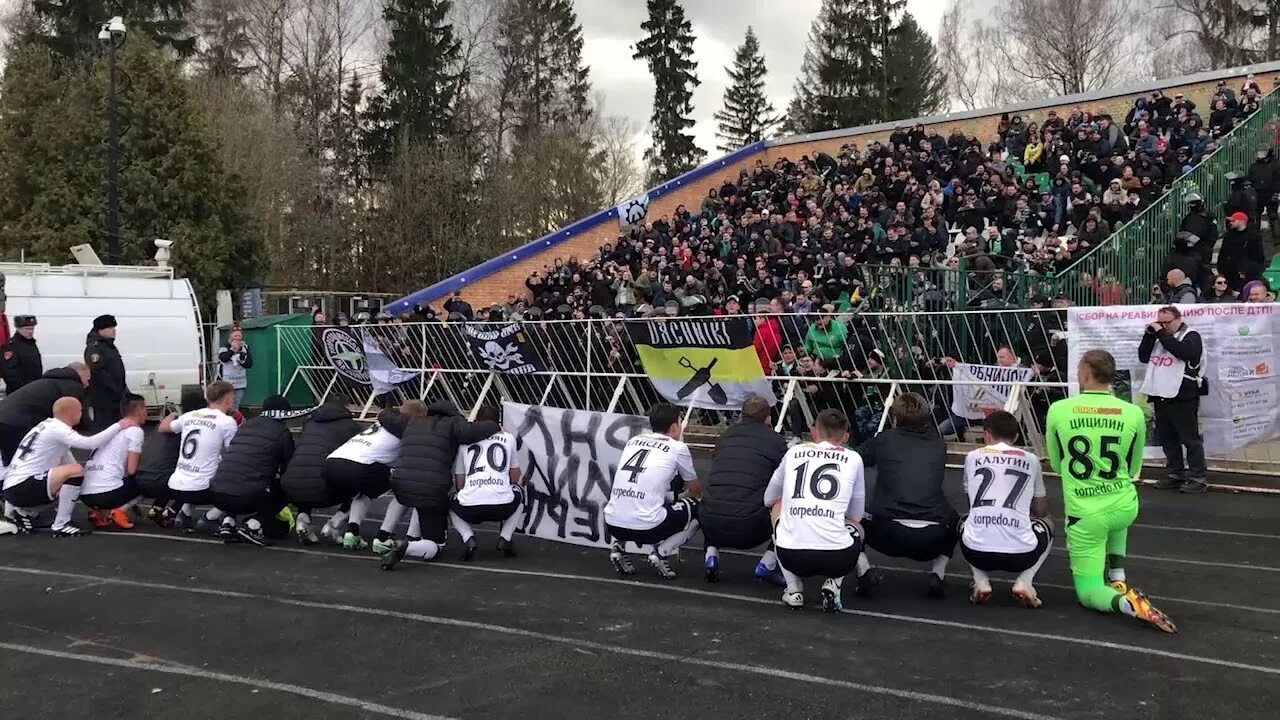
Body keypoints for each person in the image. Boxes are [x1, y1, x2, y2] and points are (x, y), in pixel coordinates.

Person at [1044, 349, 1177, 633]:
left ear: (1086, 375)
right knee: (1116, 501)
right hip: (1124, 506)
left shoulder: (1058, 410)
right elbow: (1131, 468)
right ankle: (1117, 574)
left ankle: (1127, 602)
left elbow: (1057, 464)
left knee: (1088, 592)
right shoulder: (1132, 413)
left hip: (1086, 514)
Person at [856, 392, 959, 598]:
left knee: (848, 518)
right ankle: (937, 574)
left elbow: (854, 459)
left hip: (887, 532)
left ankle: (864, 570)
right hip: (934, 537)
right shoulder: (940, 445)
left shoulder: (884, 440)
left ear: (894, 418)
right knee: (956, 519)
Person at [764, 409, 866, 612]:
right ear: (845, 437)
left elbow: (768, 499)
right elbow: (856, 515)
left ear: (814, 432)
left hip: (791, 555)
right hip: (838, 558)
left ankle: (793, 589)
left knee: (777, 507)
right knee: (857, 528)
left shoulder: (793, 452)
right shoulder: (854, 459)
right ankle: (834, 583)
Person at [380, 401, 500, 570]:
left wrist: (398, 409)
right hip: (432, 489)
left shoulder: (410, 422)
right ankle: (408, 546)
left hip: (401, 484)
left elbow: (384, 415)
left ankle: (398, 535)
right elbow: (481, 429)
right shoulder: (454, 424)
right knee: (435, 545)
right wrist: (497, 426)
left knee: (419, 500)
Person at [959, 411, 1054, 608]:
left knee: (965, 521)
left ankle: (980, 581)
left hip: (976, 552)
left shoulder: (972, 457)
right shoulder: (1031, 459)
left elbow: (971, 502)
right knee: (1048, 523)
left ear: (986, 435)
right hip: (1022, 555)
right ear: (1016, 437)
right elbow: (1040, 510)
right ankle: (1025, 581)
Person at [2, 396, 135, 535]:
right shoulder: (58, 429)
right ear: (72, 412)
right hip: (21, 487)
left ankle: (23, 513)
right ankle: (61, 524)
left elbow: (75, 477)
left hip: (13, 488)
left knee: (74, 476)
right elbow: (90, 443)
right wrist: (119, 425)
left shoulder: (46, 426)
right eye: (80, 410)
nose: (82, 414)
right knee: (76, 471)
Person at [599, 403, 701, 579]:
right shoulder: (678, 448)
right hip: (649, 528)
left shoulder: (633, 441)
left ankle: (618, 546)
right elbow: (695, 489)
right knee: (698, 507)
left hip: (612, 524)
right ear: (674, 426)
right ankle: (661, 552)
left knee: (634, 497)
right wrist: (683, 497)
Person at [700, 394, 789, 586]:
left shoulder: (723, 437)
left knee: (718, 492)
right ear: (768, 418)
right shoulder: (776, 441)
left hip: (710, 523)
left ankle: (711, 554)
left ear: (741, 415)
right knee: (787, 504)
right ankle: (768, 562)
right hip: (751, 528)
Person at [323, 400, 427, 550]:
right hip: (358, 465)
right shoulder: (410, 429)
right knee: (402, 486)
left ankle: (350, 532)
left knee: (363, 492)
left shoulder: (385, 422)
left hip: (332, 462)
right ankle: (383, 537)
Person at [208, 395, 296, 546]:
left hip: (217, 494)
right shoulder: (282, 433)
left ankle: (228, 522)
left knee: (237, 475)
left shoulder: (244, 427)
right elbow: (288, 469)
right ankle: (253, 525)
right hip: (247, 497)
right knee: (287, 488)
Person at [1137, 306, 1207, 493]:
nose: (1163, 326)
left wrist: (1161, 333)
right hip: (1160, 393)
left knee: (1189, 438)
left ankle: (1198, 477)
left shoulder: (1191, 336)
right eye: (1160, 322)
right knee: (1168, 438)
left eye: (1167, 322)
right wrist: (1149, 335)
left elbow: (1183, 353)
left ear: (1178, 319)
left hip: (1183, 394)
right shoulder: (1160, 338)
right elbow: (1143, 357)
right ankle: (1175, 473)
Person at [159, 380, 239, 531]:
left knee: (203, 469)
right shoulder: (227, 422)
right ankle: (210, 518)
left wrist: (173, 415)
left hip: (175, 486)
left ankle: (184, 514)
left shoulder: (189, 415)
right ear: (227, 399)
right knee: (235, 481)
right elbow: (233, 455)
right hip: (201, 490)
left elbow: (163, 427)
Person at [446, 405, 523, 561]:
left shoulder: (464, 443)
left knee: (450, 502)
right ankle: (505, 538)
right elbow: (515, 475)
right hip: (503, 505)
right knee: (520, 492)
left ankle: (468, 538)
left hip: (469, 507)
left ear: (476, 421)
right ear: (497, 422)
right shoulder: (508, 438)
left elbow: (460, 482)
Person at [279, 399, 360, 544]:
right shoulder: (351, 426)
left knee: (307, 476)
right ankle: (335, 522)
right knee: (358, 488)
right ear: (345, 408)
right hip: (325, 490)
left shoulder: (309, 423)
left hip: (291, 488)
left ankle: (303, 517)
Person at [79, 394, 149, 530]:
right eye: (145, 408)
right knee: (148, 480)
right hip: (107, 495)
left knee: (113, 477)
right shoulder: (135, 431)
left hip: (85, 495)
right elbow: (131, 470)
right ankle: (120, 510)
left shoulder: (112, 429)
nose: (147, 412)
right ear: (139, 409)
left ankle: (98, 512)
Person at [138, 387, 206, 527]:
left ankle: (157, 508)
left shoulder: (166, 424)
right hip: (162, 480)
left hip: (142, 477)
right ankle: (173, 511)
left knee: (172, 470)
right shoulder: (190, 428)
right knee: (191, 475)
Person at [0, 363, 89, 466]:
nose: (88, 384)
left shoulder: (48, 381)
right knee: (22, 463)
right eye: (88, 379)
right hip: (19, 423)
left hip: (6, 417)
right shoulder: (73, 386)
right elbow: (72, 415)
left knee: (10, 460)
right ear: (80, 374)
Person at [85, 314, 127, 431]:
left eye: (114, 328)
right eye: (110, 328)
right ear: (100, 330)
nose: (114, 331)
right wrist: (115, 388)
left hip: (115, 397)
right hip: (104, 398)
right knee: (105, 429)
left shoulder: (109, 346)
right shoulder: (95, 348)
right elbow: (98, 371)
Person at [1217, 211, 1264, 291]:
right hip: (1229, 274)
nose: (1230, 223)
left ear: (1241, 221)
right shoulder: (1228, 236)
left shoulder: (1254, 237)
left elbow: (1258, 257)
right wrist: (1221, 269)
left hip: (1246, 275)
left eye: (1233, 221)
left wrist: (1246, 270)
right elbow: (1223, 254)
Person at [2, 315, 42, 394]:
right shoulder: (11, 346)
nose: (30, 331)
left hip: (33, 390)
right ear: (18, 328)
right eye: (27, 329)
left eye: (32, 329)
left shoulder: (32, 344)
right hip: (18, 392)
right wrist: (22, 391)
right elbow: (9, 373)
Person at [217, 328, 253, 412]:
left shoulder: (245, 347)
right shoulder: (224, 347)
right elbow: (223, 358)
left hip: (240, 383)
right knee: (227, 404)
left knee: (236, 405)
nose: (237, 338)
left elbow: (249, 364)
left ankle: (235, 422)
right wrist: (232, 350)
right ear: (230, 336)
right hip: (227, 383)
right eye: (235, 336)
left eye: (239, 336)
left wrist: (241, 358)